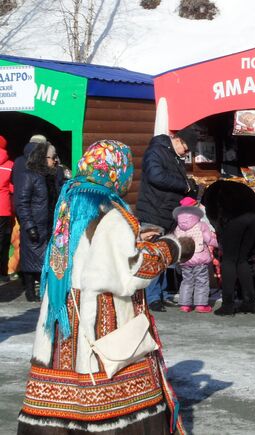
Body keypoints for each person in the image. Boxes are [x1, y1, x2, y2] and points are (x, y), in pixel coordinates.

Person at [17, 140, 193, 434]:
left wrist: (133, 239)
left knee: (65, 397)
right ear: (117, 173)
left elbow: (90, 255)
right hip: (98, 321)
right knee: (113, 399)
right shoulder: (110, 214)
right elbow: (128, 273)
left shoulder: (69, 204)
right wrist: (171, 248)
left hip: (63, 322)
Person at [136, 128, 199, 312]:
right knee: (153, 254)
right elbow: (156, 176)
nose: (186, 153)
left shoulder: (172, 155)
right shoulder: (156, 151)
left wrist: (189, 187)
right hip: (153, 211)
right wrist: (184, 185)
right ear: (178, 140)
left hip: (166, 212)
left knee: (163, 255)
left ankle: (161, 294)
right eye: (186, 149)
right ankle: (152, 297)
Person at [201, 179, 255, 315]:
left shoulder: (212, 192)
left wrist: (221, 234)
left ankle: (228, 304)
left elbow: (214, 215)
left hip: (234, 218)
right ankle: (249, 303)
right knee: (242, 259)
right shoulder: (239, 187)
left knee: (229, 260)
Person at [15, 141, 59, 302]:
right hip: (34, 225)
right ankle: (29, 291)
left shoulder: (50, 176)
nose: (54, 160)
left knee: (45, 260)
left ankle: (43, 290)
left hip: (48, 225)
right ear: (41, 157)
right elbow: (22, 203)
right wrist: (29, 225)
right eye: (52, 157)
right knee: (29, 260)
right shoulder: (28, 176)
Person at [173, 197, 218, 313]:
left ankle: (184, 305)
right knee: (201, 281)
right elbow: (209, 240)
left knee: (186, 281)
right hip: (199, 258)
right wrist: (219, 244)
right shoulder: (201, 225)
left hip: (184, 258)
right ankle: (201, 304)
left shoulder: (178, 226)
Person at [0, 135, 14, 284]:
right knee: (3, 241)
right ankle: (2, 272)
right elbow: (12, 186)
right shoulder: (10, 164)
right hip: (3, 208)